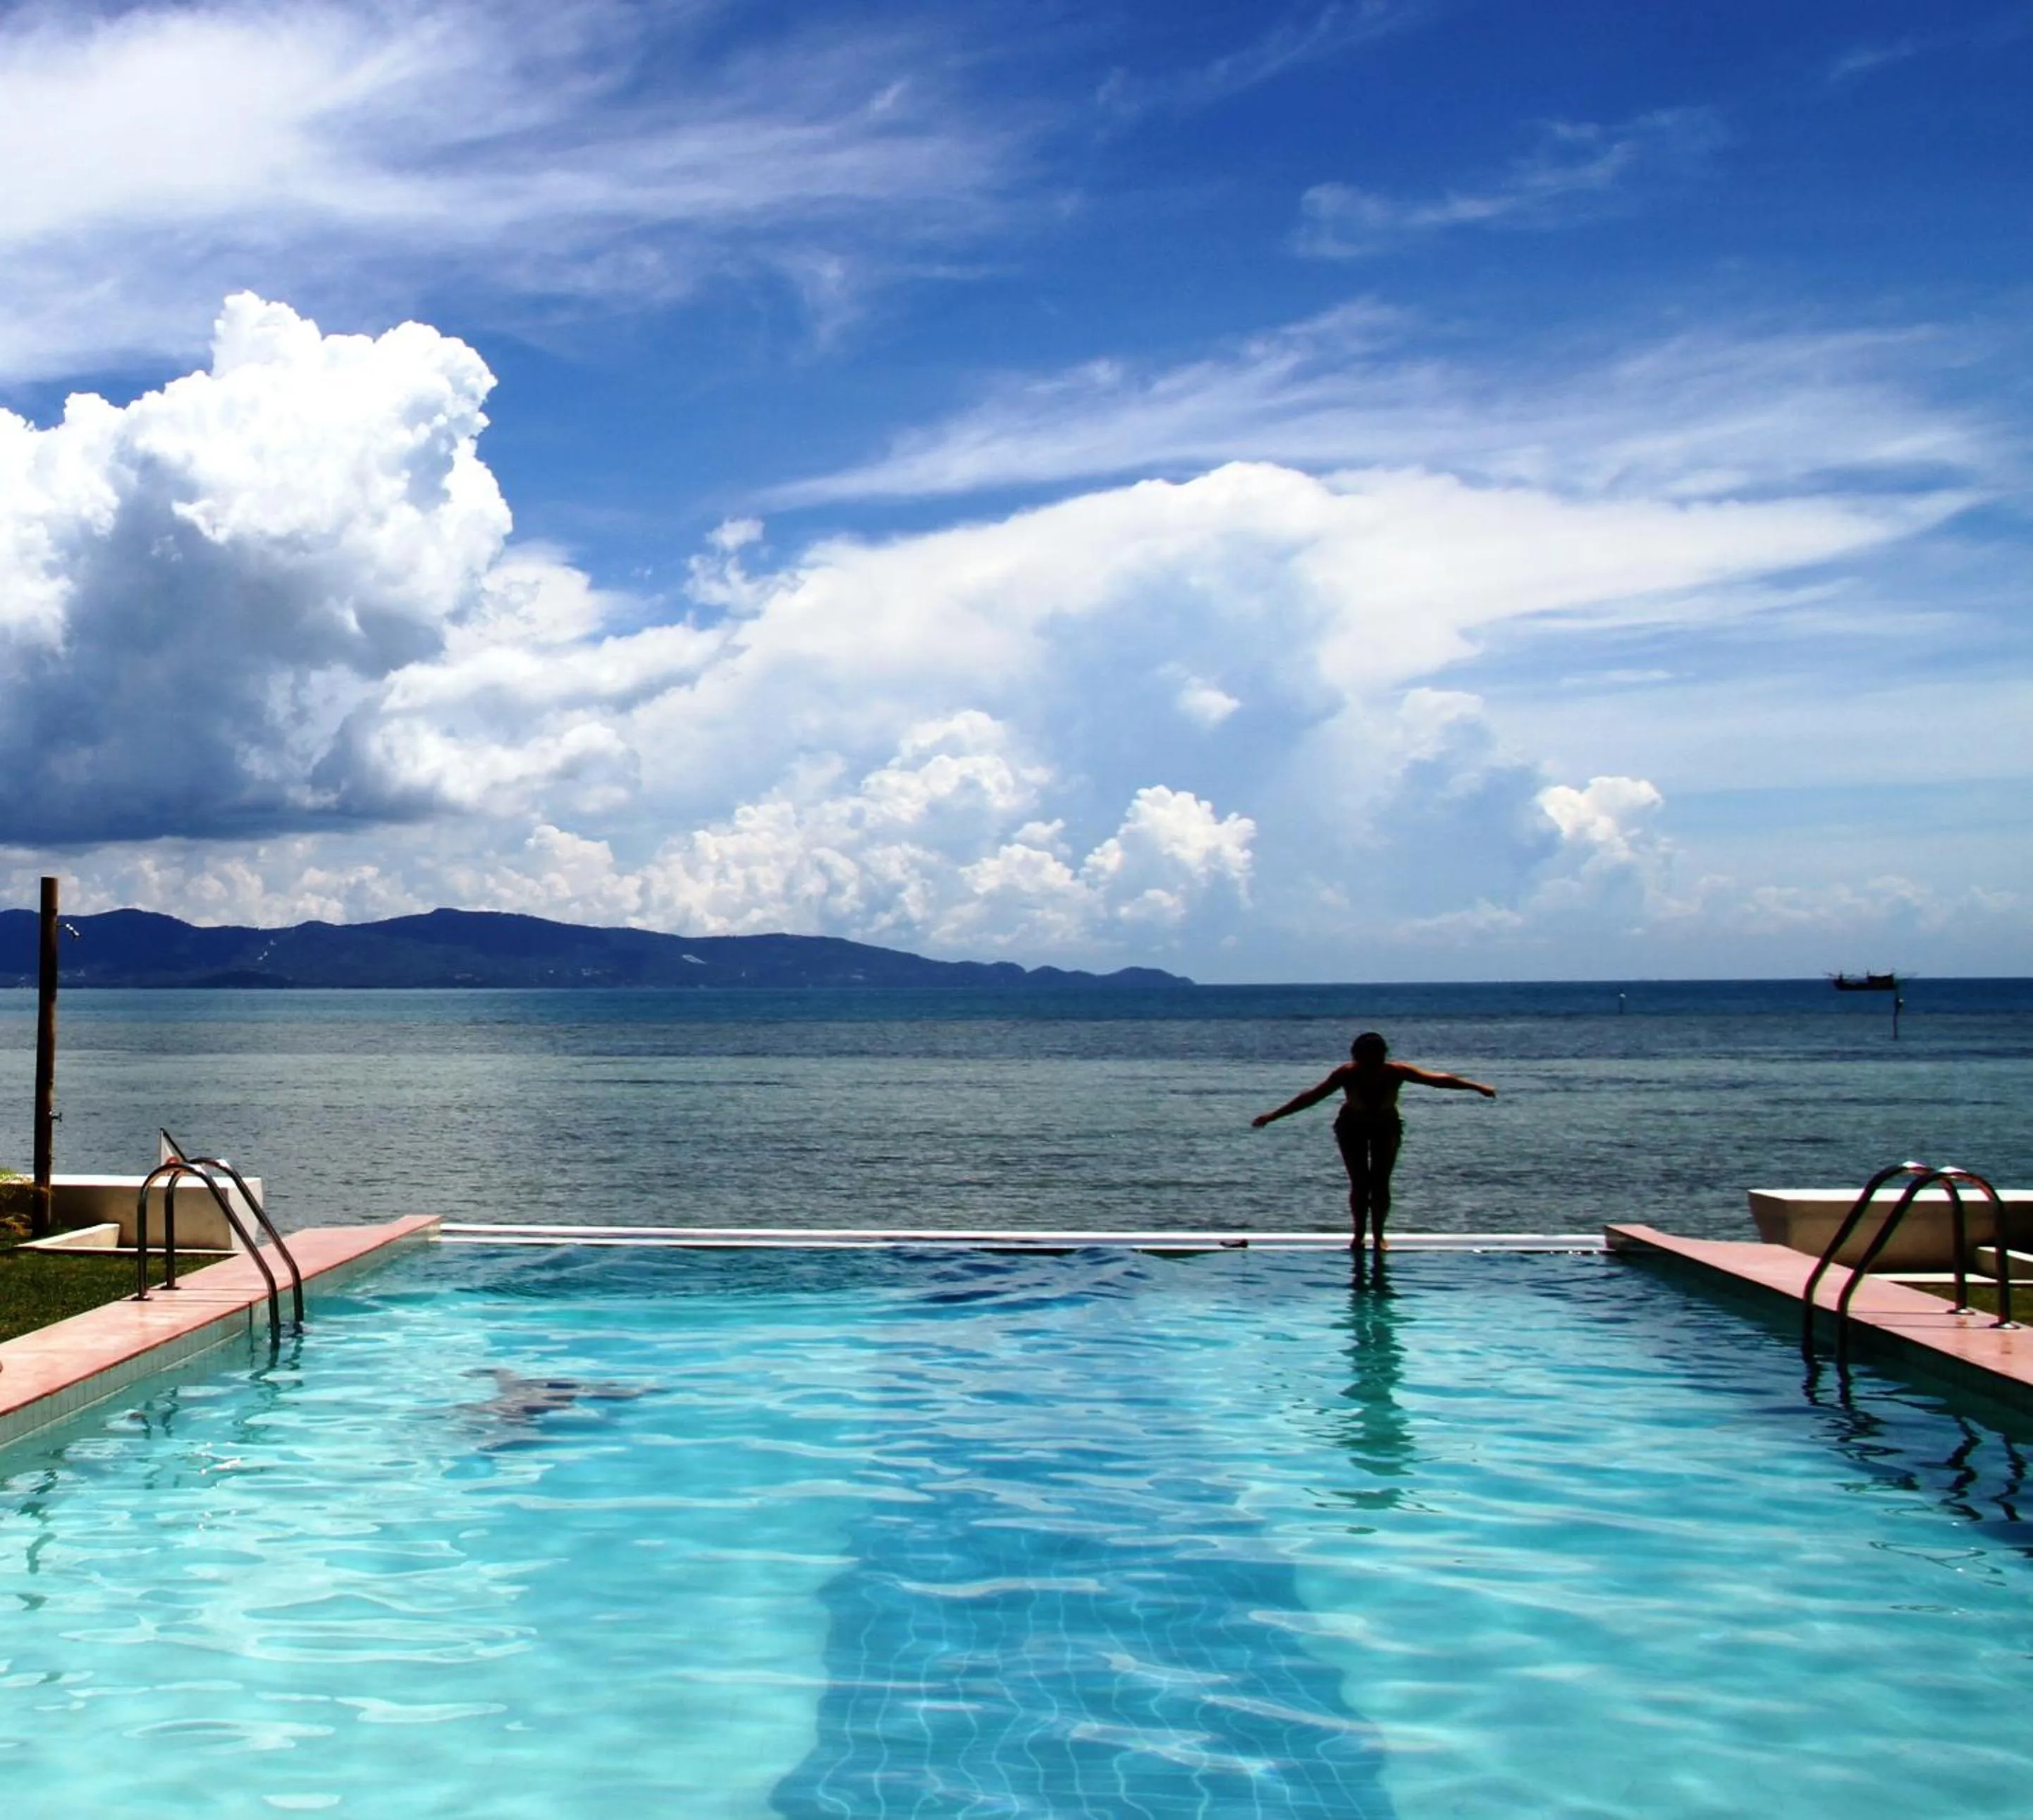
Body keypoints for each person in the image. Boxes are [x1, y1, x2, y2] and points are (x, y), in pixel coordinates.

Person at [1253, 1031, 1495, 1251]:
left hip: (1385, 1126)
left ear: (1382, 1056)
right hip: (1352, 1126)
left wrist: (1476, 1087)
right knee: (1360, 1183)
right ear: (1357, 1057)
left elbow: (1438, 1080)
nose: (1370, 1063)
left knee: (1380, 1182)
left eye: (1375, 1058)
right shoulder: (1347, 1073)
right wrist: (1274, 1116)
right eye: (1365, 1058)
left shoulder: (1395, 1072)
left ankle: (1378, 1235)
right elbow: (1312, 1096)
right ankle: (1359, 1235)